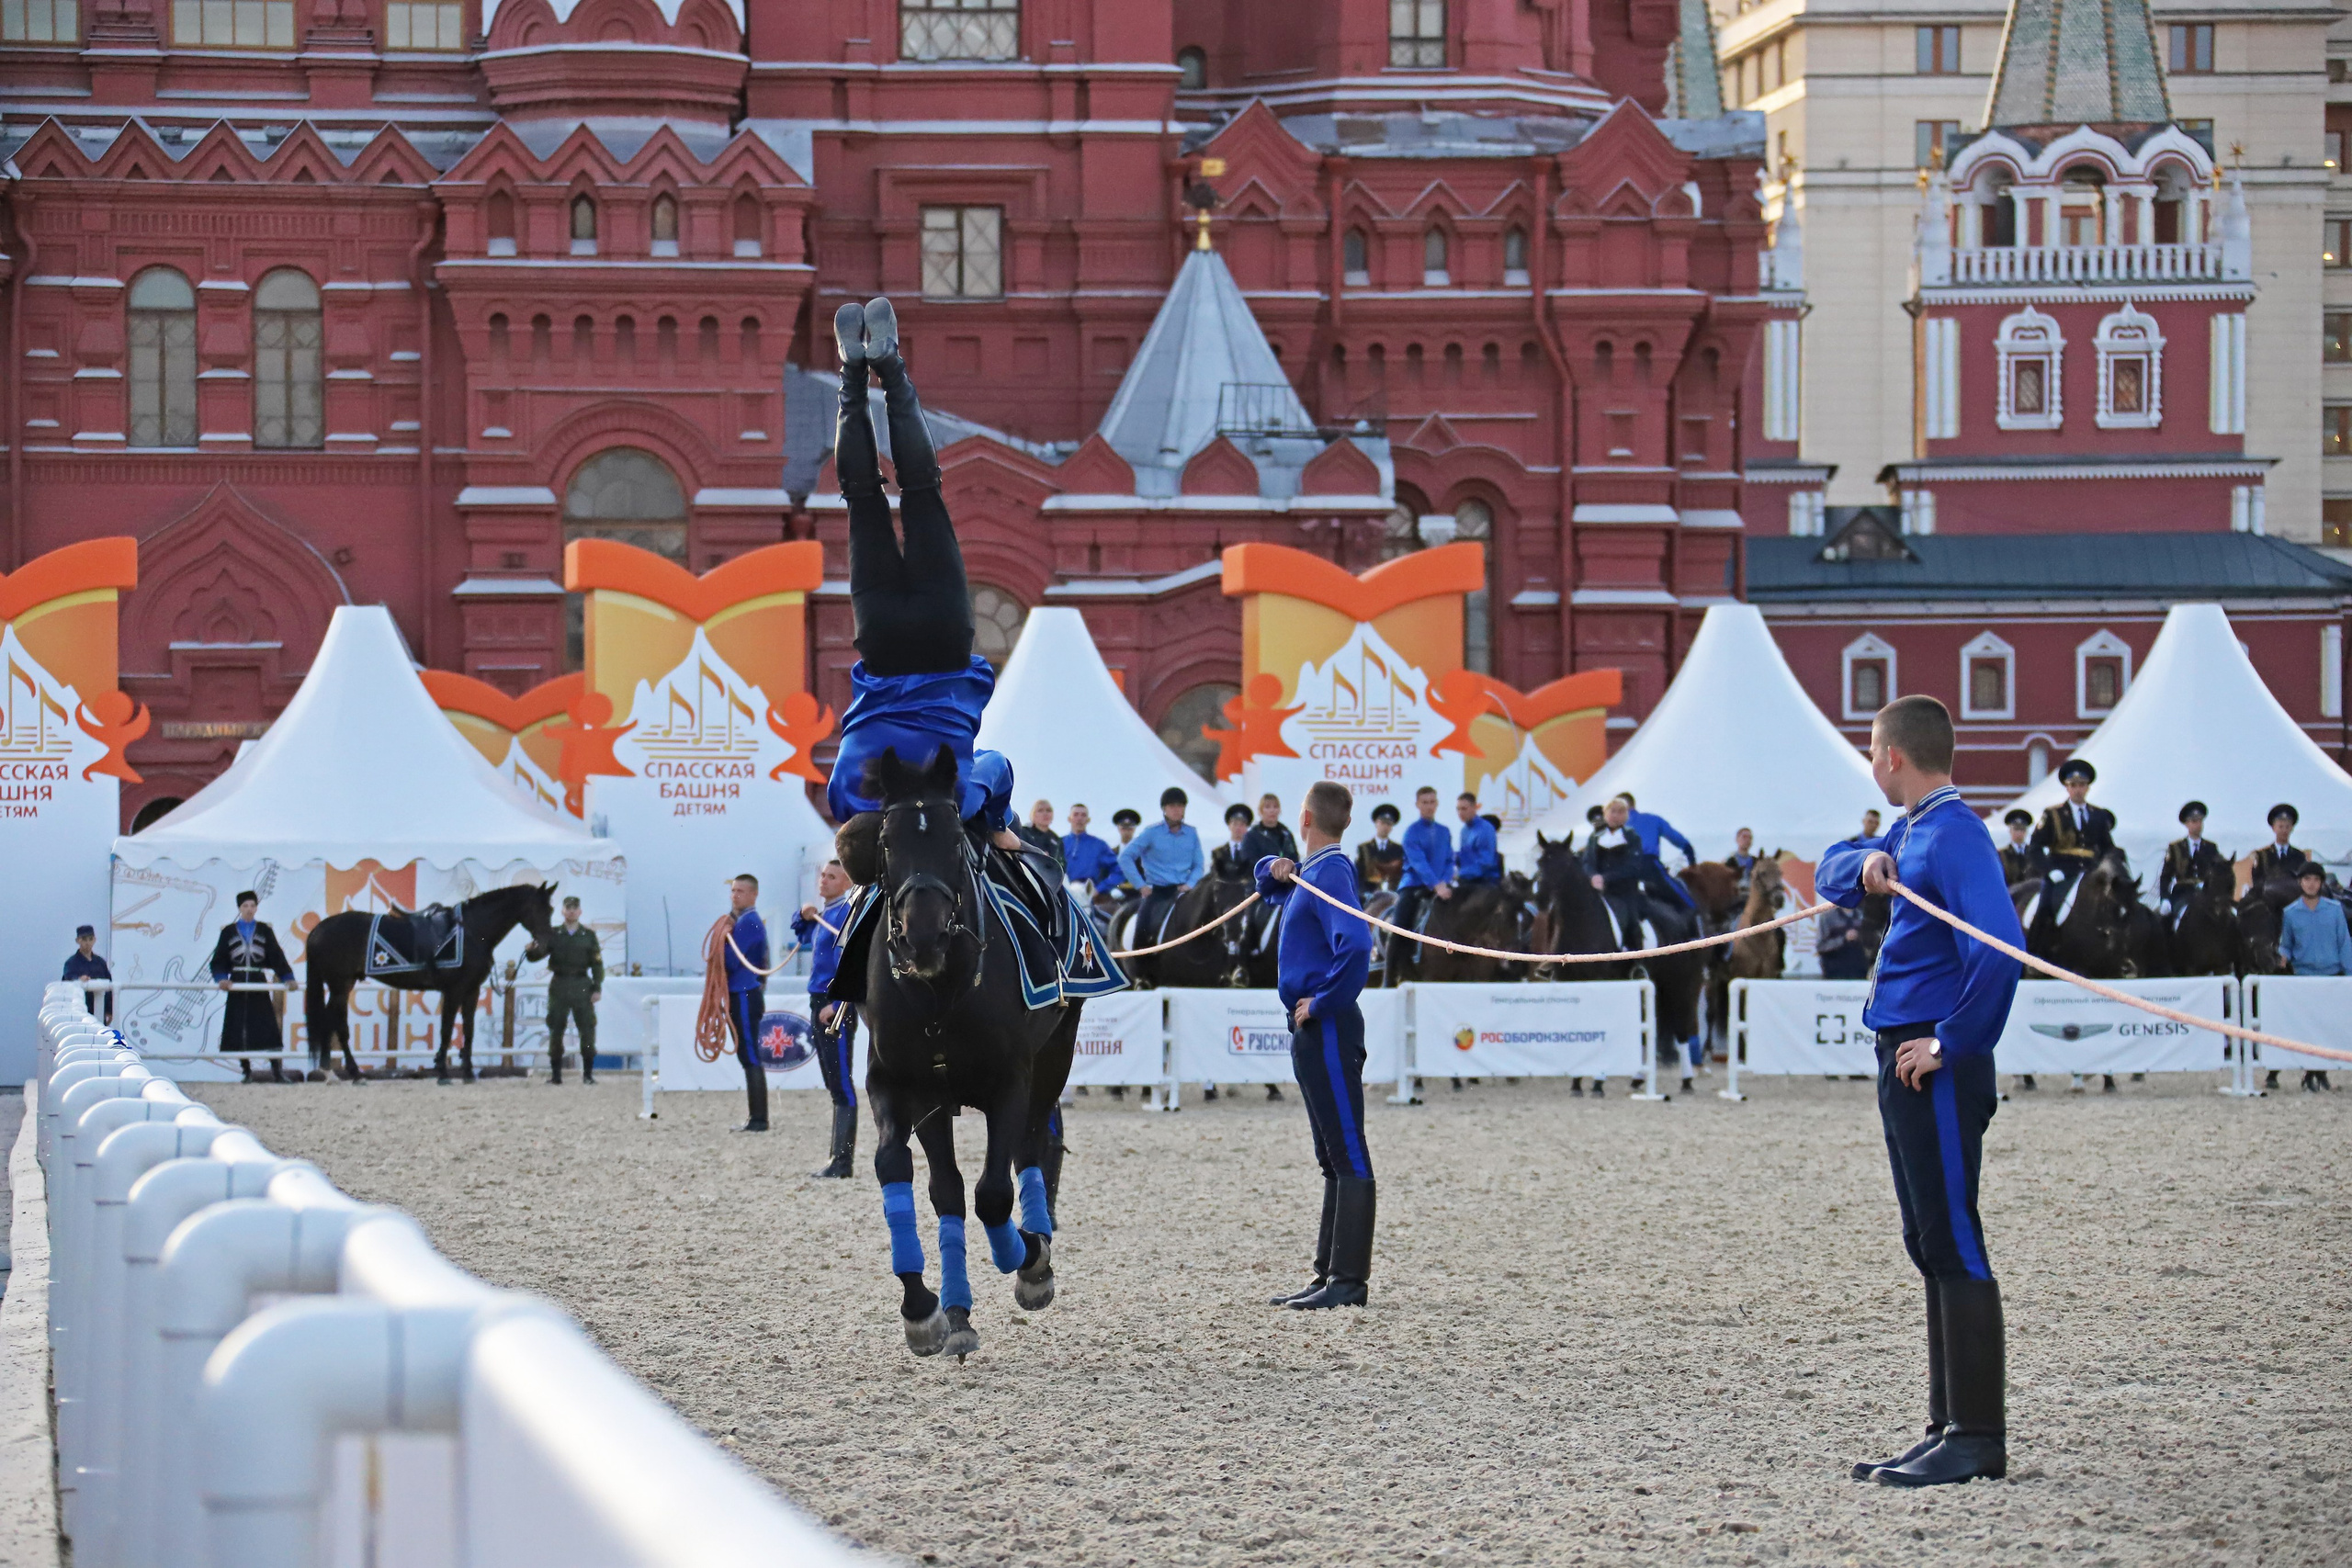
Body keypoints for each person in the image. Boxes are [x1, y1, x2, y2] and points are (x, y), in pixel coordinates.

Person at [1819, 694, 2022, 1489]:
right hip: (1903, 1054)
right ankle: (1946, 1425)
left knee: (1953, 1236)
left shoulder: (1956, 833)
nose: (1870, 760)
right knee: (1927, 1238)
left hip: (1929, 1057)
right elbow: (1833, 865)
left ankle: (1977, 1433)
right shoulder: (1912, 832)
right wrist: (1865, 867)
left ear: (1892, 757)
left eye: (1872, 749)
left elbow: (2002, 948)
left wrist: (1953, 1040)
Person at [822, 296, 999, 831]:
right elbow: (839, 797)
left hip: (944, 645)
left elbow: (997, 767)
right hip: (881, 646)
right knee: (863, 498)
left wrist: (998, 818)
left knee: (922, 492)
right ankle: (855, 372)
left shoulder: (958, 791)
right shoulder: (862, 782)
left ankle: (888, 363)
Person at [1258, 781, 1377, 1311]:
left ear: (1304, 819)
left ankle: (1348, 1280)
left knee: (1346, 1150)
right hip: (1312, 1026)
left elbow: (1355, 943)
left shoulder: (1330, 871)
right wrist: (1273, 866)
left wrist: (1323, 1001)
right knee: (1331, 1154)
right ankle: (1328, 1273)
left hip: (1325, 1024)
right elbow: (1266, 883)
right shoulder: (1314, 872)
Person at [797, 859, 863, 1173]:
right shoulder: (826, 914)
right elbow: (799, 933)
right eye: (822, 875)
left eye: (832, 876)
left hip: (833, 1005)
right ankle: (837, 1157)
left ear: (847, 881)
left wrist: (837, 1005)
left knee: (841, 1082)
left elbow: (851, 963)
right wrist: (803, 913)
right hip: (818, 1001)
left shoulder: (845, 914)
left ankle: (843, 1159)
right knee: (833, 1082)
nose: (823, 880)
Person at [209, 891, 295, 1082]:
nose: (249, 909)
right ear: (239, 908)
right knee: (239, 1026)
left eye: (252, 906)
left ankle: (277, 1071)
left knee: (268, 1025)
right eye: (245, 906)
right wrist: (222, 978)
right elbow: (219, 959)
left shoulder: (265, 930)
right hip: (238, 981)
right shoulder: (228, 931)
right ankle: (246, 1071)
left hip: (257, 979)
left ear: (256, 908)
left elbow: (276, 955)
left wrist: (287, 976)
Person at [2276, 863, 2346, 1091]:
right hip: (2304, 975)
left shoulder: (2335, 909)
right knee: (2309, 1027)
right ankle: (2310, 1071)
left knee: (2327, 1026)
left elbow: (2344, 942)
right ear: (2300, 882)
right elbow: (2287, 944)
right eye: (2307, 879)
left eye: (2315, 879)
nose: (2311, 884)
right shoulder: (2291, 913)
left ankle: (2321, 1071)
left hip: (2331, 974)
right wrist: (2282, 957)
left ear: (2321, 883)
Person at [1119, 786, 1204, 945]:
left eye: (1180, 806)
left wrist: (1190, 884)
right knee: (1143, 927)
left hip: (1183, 891)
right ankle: (1140, 963)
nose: (1176, 810)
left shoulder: (1191, 833)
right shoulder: (1152, 833)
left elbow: (1199, 865)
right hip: (1157, 892)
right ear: (1164, 809)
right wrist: (1141, 885)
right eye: (1172, 806)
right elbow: (1125, 857)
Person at [721, 874, 771, 1133]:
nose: (735, 895)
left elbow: (730, 961)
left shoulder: (748, 923)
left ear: (753, 894)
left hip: (743, 992)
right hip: (743, 991)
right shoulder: (745, 922)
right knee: (747, 1054)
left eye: (740, 891)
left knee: (749, 1053)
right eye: (733, 891)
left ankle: (759, 1118)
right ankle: (756, 1116)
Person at [2029, 760, 2116, 893]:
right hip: (2061, 873)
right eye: (2073, 785)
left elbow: (2108, 847)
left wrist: (2104, 867)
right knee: (2045, 908)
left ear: (2088, 787)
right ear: (2067, 787)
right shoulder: (2053, 814)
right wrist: (2049, 870)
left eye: (2082, 785)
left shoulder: (2099, 815)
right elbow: (2035, 847)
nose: (2078, 790)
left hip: (2091, 873)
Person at [543, 896, 604, 1087]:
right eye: (568, 908)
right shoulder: (553, 934)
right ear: (562, 911)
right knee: (556, 1028)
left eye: (574, 908)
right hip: (559, 984)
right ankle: (556, 1075)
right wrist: (530, 950)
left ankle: (587, 1074)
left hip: (581, 985)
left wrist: (597, 987)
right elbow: (538, 954)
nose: (571, 911)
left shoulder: (588, 936)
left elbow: (597, 964)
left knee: (586, 1029)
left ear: (580, 912)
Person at [1394, 785, 1453, 962]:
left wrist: (1445, 882)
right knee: (1400, 927)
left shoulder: (1445, 831)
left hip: (1441, 887)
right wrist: (1436, 885)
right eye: (1424, 802)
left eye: (1432, 802)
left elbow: (1450, 860)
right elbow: (1419, 863)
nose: (1429, 806)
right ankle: (1390, 973)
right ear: (1417, 805)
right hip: (1413, 886)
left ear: (1437, 804)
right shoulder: (1411, 832)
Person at [1616, 791, 1696, 909]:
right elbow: (1676, 838)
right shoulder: (1652, 819)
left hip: (1626, 873)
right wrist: (1690, 856)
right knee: (1686, 901)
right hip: (1650, 866)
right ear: (1633, 804)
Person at [1582, 795, 1647, 934]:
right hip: (1598, 891)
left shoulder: (1632, 837)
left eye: (1620, 812)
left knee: (1632, 925)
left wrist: (1605, 878)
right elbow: (1588, 861)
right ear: (1605, 814)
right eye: (1612, 811)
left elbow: (1633, 867)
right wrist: (1593, 876)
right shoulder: (1595, 837)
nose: (1616, 816)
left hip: (1624, 892)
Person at [2159, 801, 2230, 919]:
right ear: (2186, 824)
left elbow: (2219, 871)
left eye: (2200, 821)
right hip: (2182, 894)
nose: (2198, 825)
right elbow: (2166, 877)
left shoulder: (2211, 847)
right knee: (2174, 920)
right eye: (2194, 821)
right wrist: (2165, 899)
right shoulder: (2176, 848)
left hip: (2206, 894)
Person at [1445, 792, 1501, 895]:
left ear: (1474, 808)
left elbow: (1486, 863)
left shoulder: (1485, 829)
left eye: (1464, 809)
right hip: (1467, 881)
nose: (1460, 813)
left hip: (1485, 882)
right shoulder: (1464, 830)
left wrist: (1460, 873)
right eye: (1458, 809)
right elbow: (1465, 857)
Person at [1061, 803, 1120, 893]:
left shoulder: (1099, 845)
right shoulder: (1058, 843)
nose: (1079, 818)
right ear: (1069, 819)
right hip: (1061, 894)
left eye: (1083, 815)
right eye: (1076, 815)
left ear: (1088, 820)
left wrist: (1100, 889)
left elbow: (1119, 871)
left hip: (1088, 895)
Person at [62, 924, 112, 1022]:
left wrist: (109, 1010)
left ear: (94, 940)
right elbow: (68, 979)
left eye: (90, 939)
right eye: (84, 939)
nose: (87, 943)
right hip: (80, 1012)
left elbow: (109, 986)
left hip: (99, 1011)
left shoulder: (100, 962)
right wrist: (79, 980)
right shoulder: (71, 963)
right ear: (78, 941)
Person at [2250, 803, 2307, 887]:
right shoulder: (2262, 856)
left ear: (2292, 828)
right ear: (2273, 828)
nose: (2284, 830)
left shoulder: (2299, 856)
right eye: (2280, 827)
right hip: (2268, 898)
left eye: (2287, 827)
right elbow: (2257, 883)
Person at [1240, 792, 1300, 869]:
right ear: (1261, 811)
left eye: (1275, 807)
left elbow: (1295, 858)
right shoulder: (1252, 835)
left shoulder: (1286, 834)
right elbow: (1248, 862)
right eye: (1267, 807)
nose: (1272, 810)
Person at [1356, 802, 1406, 896]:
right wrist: (1364, 893)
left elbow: (1401, 875)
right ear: (1376, 823)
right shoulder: (1364, 849)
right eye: (1382, 823)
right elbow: (1359, 875)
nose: (1385, 827)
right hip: (1369, 894)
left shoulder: (1399, 849)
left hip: (1393, 894)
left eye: (1389, 824)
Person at [1816, 903, 1871, 980]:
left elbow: (1871, 944)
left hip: (1858, 972)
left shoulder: (1862, 916)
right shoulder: (1828, 917)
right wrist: (1843, 939)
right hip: (1835, 973)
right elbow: (1821, 946)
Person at [1102, 807, 1143, 901]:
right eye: (1124, 827)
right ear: (1118, 828)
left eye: (1130, 827)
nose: (1127, 830)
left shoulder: (1144, 853)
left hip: (1138, 898)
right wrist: (1112, 890)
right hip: (1112, 898)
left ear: (1134, 829)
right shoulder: (1110, 853)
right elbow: (1103, 876)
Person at [1016, 798, 1064, 874]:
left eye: (1048, 810)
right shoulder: (1023, 832)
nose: (1045, 814)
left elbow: (1063, 864)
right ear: (1033, 815)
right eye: (1040, 810)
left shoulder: (1057, 840)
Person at [1209, 801, 1256, 878]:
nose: (1238, 828)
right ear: (1229, 826)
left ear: (1247, 827)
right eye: (1235, 824)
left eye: (1242, 824)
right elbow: (1214, 876)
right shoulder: (1218, 853)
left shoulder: (1252, 852)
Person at [1996, 810, 2035, 887]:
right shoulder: (2002, 854)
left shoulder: (2034, 852)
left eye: (2022, 829)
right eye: (2016, 829)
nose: (2019, 833)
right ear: (2010, 830)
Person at [1725, 828, 1758, 895]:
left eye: (1750, 838)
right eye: (1744, 837)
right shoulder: (1731, 861)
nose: (1747, 840)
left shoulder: (1756, 861)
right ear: (1737, 839)